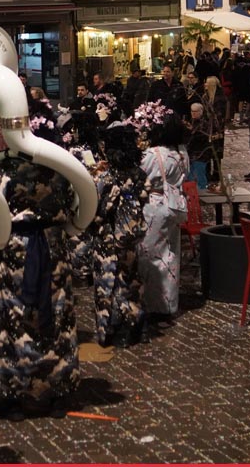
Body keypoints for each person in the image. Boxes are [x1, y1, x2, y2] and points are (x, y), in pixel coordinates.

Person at [0, 99, 80, 419]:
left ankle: (13, 391)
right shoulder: (61, 170)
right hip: (52, 245)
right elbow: (75, 205)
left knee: (14, 316)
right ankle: (54, 388)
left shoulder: (2, 171)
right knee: (56, 315)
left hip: (15, 247)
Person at [91, 123, 148, 347]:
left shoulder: (106, 178)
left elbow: (97, 210)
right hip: (130, 235)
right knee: (130, 278)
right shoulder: (139, 174)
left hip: (107, 236)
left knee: (107, 281)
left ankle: (110, 328)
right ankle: (134, 322)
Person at [133, 102, 189, 319]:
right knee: (170, 254)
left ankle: (153, 303)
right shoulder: (181, 153)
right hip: (174, 204)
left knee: (151, 255)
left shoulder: (154, 154)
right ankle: (169, 302)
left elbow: (140, 175)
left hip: (155, 204)